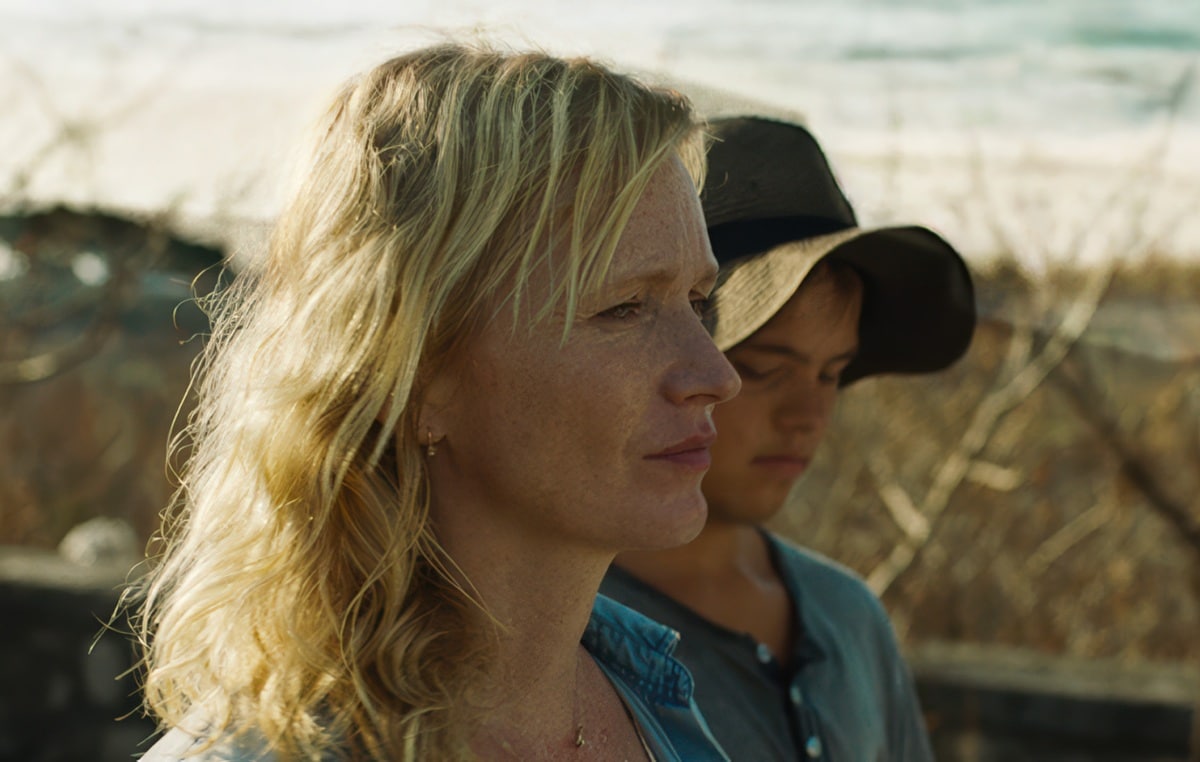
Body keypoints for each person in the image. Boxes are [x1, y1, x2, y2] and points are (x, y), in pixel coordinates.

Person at [131, 44, 743, 761]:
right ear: (415, 372)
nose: (715, 373)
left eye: (698, 301)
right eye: (626, 307)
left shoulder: (657, 702)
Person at [601, 116, 977, 761]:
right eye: (763, 369)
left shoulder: (847, 615)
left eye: (832, 374)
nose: (808, 415)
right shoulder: (572, 636)